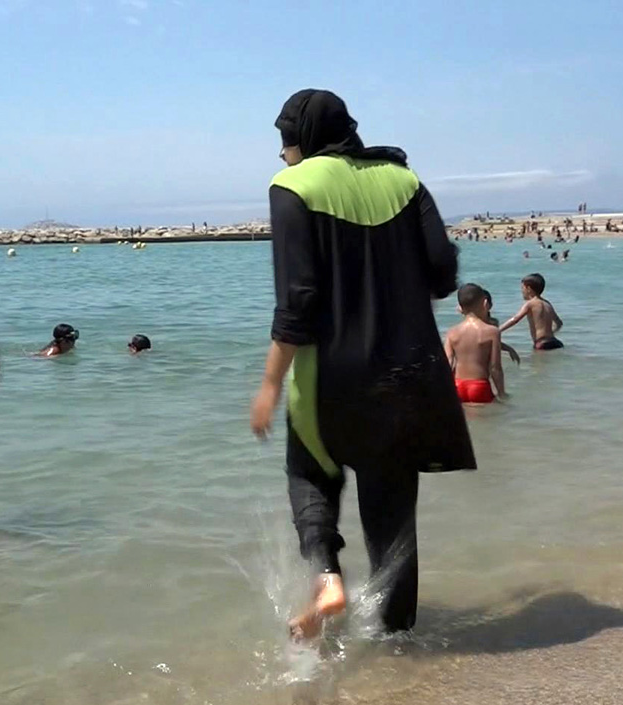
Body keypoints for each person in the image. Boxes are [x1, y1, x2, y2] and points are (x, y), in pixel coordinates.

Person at [249, 89, 476, 641]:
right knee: (393, 520)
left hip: (329, 378)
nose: (283, 157)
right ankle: (399, 645)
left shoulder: (292, 187)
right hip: (409, 376)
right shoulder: (403, 179)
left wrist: (270, 383)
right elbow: (444, 271)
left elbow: (298, 299)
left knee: (309, 473)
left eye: (285, 145)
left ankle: (328, 578)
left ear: (298, 140)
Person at [444, 284, 507, 404]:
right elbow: (495, 368)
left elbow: (448, 363)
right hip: (479, 386)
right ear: (485, 303)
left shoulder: (452, 332)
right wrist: (501, 392)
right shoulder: (492, 332)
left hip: (458, 386)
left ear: (460, 308)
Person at [500, 273, 564, 350]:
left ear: (528, 289)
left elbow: (515, 319)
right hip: (555, 342)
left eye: (522, 288)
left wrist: (498, 330)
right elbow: (559, 323)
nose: (521, 291)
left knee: (538, 362)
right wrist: (551, 333)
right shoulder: (547, 303)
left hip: (541, 343)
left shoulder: (530, 304)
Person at [481, 290, 521, 365]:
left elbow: (494, 343)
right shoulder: (470, 324)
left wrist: (509, 349)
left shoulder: (493, 322)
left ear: (490, 305)